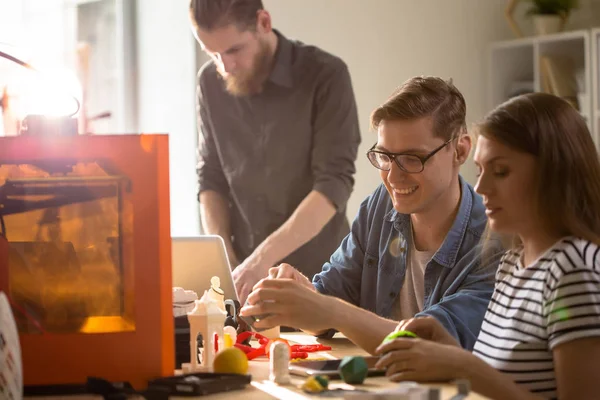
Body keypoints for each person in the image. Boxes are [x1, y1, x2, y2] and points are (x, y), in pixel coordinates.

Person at [240, 76, 504, 353]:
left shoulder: (495, 243)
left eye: (413, 158)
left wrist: (330, 311)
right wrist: (303, 295)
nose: (393, 176)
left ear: (460, 150)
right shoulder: (380, 205)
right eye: (385, 156)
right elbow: (330, 303)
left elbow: (432, 342)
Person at [374, 92, 600, 399]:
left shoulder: (574, 269)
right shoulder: (513, 263)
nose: (480, 187)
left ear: (553, 171)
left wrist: (463, 366)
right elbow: (505, 382)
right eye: (480, 171)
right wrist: (450, 351)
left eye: (501, 171)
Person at [189, 0, 361, 302]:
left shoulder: (326, 75)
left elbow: (334, 182)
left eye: (233, 50)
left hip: (321, 279)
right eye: (212, 53)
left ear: (263, 23)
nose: (224, 66)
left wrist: (261, 259)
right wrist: (224, 258)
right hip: (244, 282)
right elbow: (210, 178)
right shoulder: (209, 82)